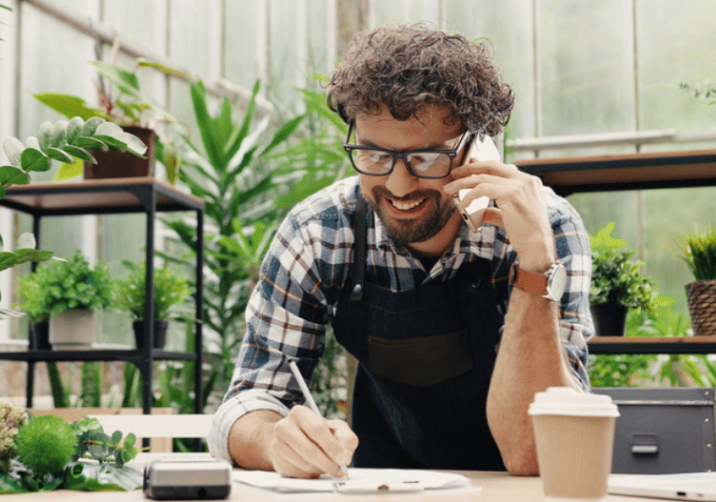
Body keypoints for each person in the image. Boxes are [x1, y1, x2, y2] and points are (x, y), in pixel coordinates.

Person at [206, 23, 593, 477]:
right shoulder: (319, 232)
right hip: (383, 487)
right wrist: (275, 440)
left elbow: (536, 452)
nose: (397, 184)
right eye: (374, 156)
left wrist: (534, 267)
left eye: (426, 158)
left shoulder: (547, 230)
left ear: (479, 148)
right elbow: (247, 401)